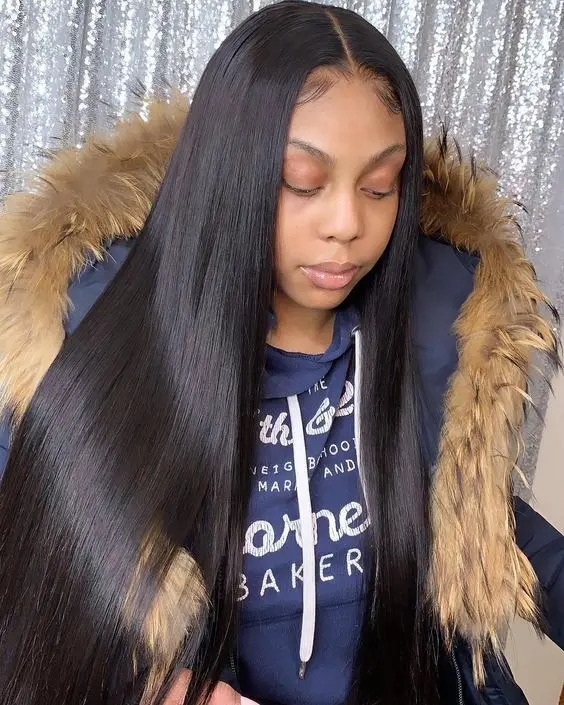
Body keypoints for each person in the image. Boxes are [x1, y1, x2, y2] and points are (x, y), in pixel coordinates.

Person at [0, 1, 561, 704]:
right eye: (302, 181)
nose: (347, 224)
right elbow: (29, 595)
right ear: (228, 174)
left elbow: (481, 523)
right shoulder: (88, 353)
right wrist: (146, 686)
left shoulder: (434, 330)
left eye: (380, 186)